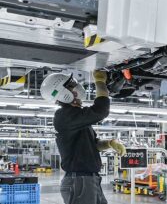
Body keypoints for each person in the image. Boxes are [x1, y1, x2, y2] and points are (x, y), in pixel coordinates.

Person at [40, 70, 126, 204]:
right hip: (80, 181)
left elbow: (93, 144)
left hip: (88, 180)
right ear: (62, 93)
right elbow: (100, 110)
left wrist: (110, 144)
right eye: (70, 88)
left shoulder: (76, 117)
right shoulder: (65, 116)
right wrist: (99, 82)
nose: (75, 91)